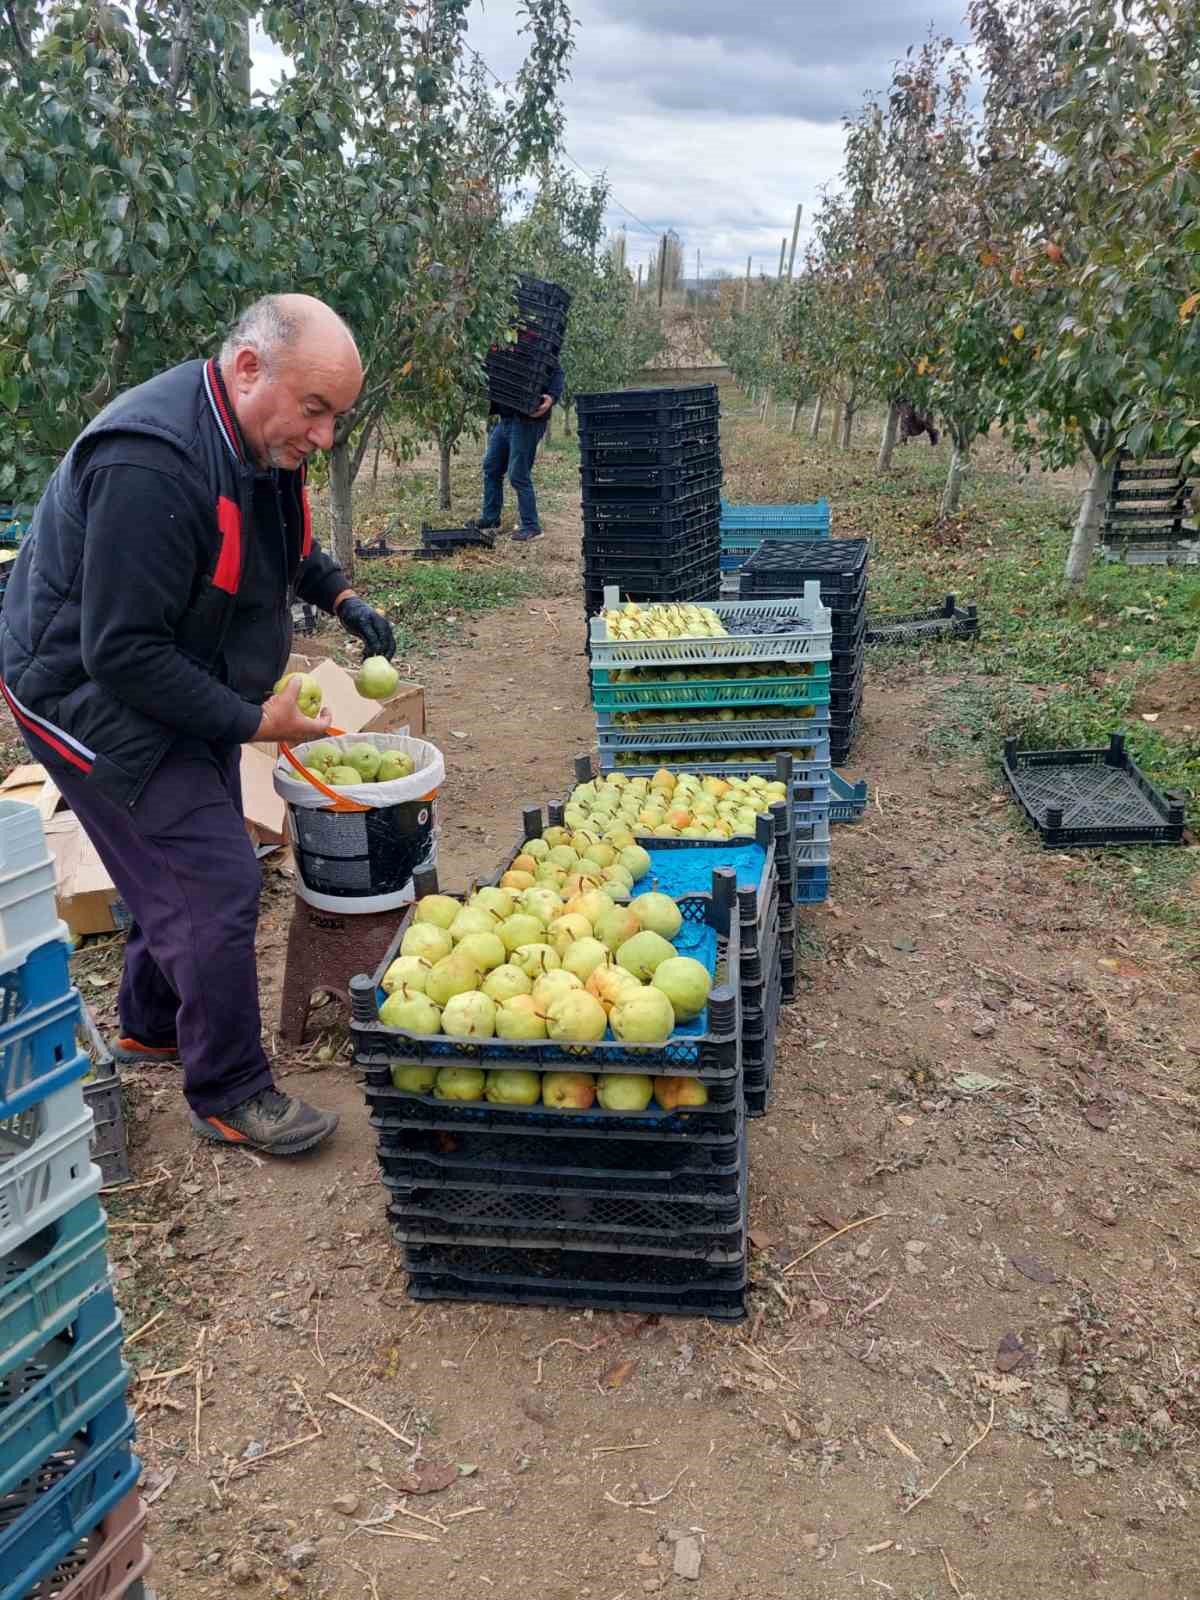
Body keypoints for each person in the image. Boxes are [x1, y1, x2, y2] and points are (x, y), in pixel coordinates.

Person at [0, 294, 396, 1157]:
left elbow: (279, 539)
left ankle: (149, 1024)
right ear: (249, 369)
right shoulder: (152, 464)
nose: (324, 438)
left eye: (339, 417)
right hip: (81, 689)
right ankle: (230, 1089)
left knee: (184, 855)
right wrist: (257, 719)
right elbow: (122, 655)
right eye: (317, 411)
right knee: (214, 879)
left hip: (175, 665)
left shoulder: (257, 436)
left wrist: (339, 595)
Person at [477, 347, 565, 543]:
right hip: (506, 419)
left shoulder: (535, 345)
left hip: (528, 420)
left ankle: (532, 527)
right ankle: (491, 520)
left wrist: (551, 397)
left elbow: (557, 372)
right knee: (491, 467)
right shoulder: (499, 347)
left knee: (518, 473)